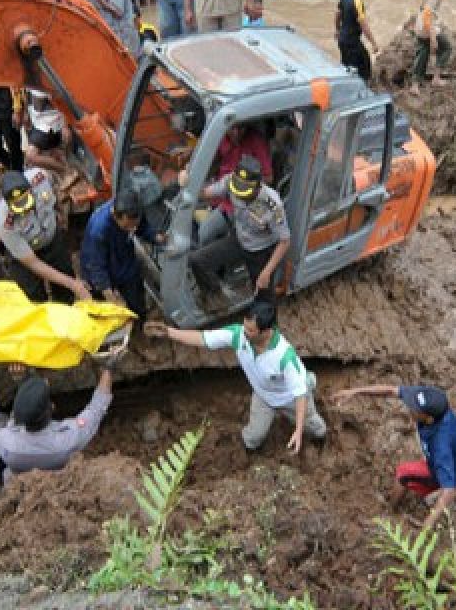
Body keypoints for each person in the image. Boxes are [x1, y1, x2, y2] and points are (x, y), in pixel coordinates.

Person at [146, 300, 326, 455]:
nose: (244, 333)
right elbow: (204, 339)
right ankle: (250, 453)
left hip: (290, 398)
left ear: (266, 331)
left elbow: (300, 395)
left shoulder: (284, 356)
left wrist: (298, 430)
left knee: (317, 428)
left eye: (250, 331)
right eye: (245, 327)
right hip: (264, 396)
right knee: (253, 438)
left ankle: (310, 390)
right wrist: (169, 332)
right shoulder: (238, 335)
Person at [331, 382, 456, 529]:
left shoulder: (440, 444)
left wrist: (427, 525)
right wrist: (354, 391)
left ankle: (389, 513)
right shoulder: (430, 402)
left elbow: (449, 490)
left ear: (429, 419)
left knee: (403, 473)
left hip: (451, 469)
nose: (410, 408)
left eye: (415, 410)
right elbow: (390, 390)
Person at [189, 155, 290, 301]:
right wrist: (190, 181)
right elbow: (206, 193)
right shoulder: (231, 181)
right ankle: (217, 299)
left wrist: (266, 272)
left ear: (258, 185)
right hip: (239, 239)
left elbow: (285, 241)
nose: (240, 196)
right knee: (197, 260)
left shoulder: (272, 204)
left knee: (263, 300)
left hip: (261, 252)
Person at [0, 367, 114, 479]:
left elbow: (16, 417)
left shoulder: (6, 441)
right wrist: (108, 368)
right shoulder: (67, 441)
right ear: (52, 407)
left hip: (17, 487)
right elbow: (96, 409)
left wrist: (21, 382)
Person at [0, 168, 88, 303]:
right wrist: (73, 284)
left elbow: (55, 192)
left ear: (31, 189)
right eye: (18, 205)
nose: (25, 208)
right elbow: (33, 263)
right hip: (27, 252)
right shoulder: (6, 223)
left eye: (25, 200)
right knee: (32, 296)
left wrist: (62, 217)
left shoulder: (40, 178)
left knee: (64, 286)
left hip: (52, 238)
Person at [80, 191, 162, 318]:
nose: (132, 230)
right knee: (105, 311)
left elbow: (142, 228)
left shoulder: (133, 210)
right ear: (115, 215)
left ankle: (140, 322)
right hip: (100, 266)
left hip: (125, 260)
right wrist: (110, 296)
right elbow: (96, 266)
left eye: (134, 225)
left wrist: (156, 237)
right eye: (127, 226)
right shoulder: (98, 230)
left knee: (136, 300)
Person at [409, 0, 456, 93]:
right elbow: (428, 15)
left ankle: (415, 85)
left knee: (422, 52)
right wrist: (433, 37)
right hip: (426, 25)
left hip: (420, 22)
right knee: (447, 47)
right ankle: (435, 78)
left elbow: (423, 4)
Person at [335, 0, 381, 80]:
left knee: (346, 66)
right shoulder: (358, 2)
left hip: (342, 40)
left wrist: (337, 30)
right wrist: (374, 44)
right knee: (364, 67)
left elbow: (337, 14)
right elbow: (364, 26)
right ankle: (363, 92)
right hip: (352, 43)